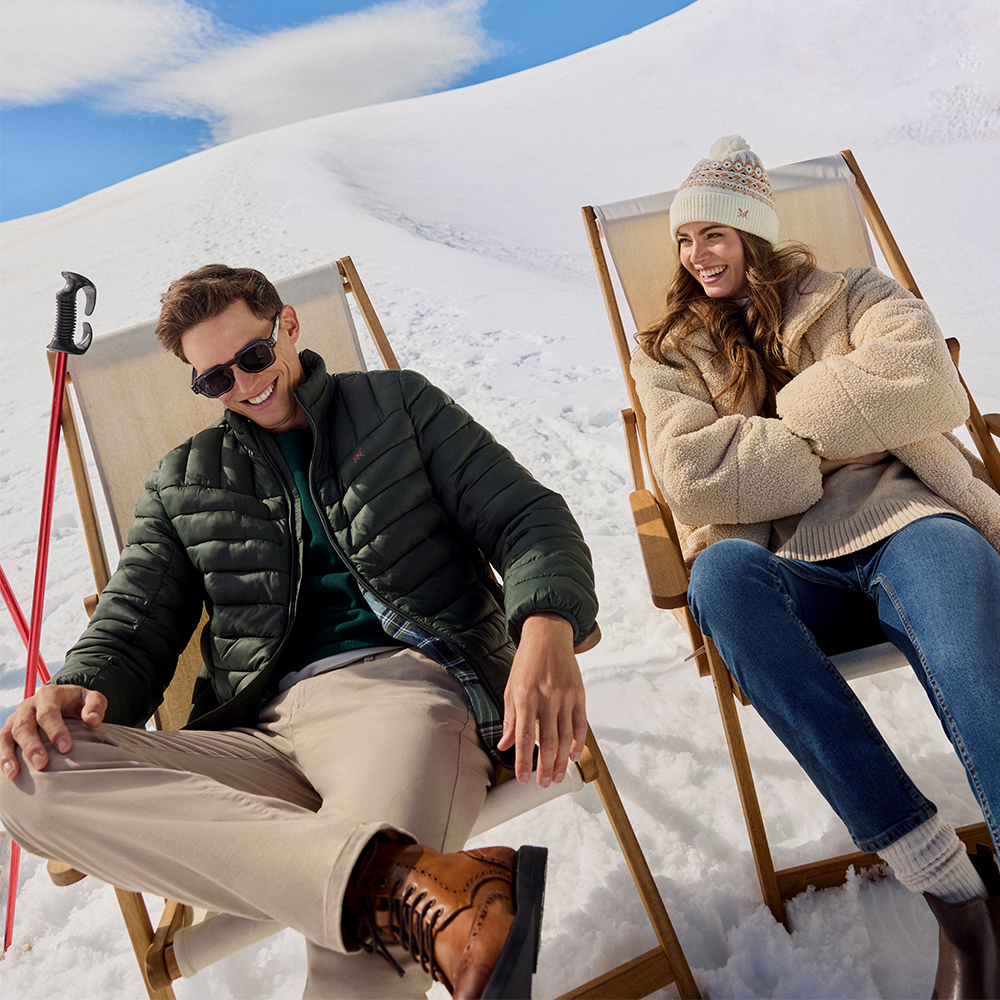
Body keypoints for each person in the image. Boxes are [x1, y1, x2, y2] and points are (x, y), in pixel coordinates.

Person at [0, 264, 599, 1000]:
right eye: (216, 378)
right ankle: (403, 881)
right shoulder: (181, 481)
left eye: (253, 357)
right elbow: (131, 626)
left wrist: (544, 625)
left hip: (402, 696)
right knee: (25, 771)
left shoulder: (397, 406)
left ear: (287, 323)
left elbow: (528, 517)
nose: (246, 385)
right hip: (255, 738)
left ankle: (379, 887)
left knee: (358, 961)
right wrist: (77, 687)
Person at [631, 137, 1000, 998]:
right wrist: (830, 436)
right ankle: (953, 897)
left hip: (908, 517)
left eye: (715, 235)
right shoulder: (668, 352)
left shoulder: (855, 292)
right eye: (686, 241)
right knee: (718, 580)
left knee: (973, 649)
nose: (698, 255)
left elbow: (927, 380)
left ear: (755, 235)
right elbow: (686, 472)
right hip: (782, 564)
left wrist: (774, 435)